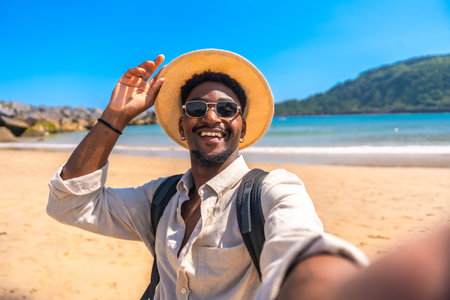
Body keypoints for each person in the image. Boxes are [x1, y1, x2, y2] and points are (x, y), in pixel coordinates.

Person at [47, 49, 369, 299]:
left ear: (242, 127)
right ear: (182, 127)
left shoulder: (273, 190)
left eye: (227, 110)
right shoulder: (159, 199)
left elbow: (298, 247)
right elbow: (71, 203)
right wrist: (115, 117)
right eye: (196, 109)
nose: (211, 117)